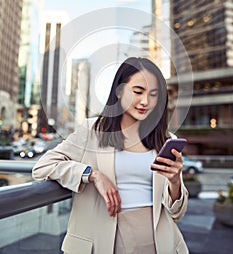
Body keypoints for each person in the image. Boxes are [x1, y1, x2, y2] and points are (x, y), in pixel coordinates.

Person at [32, 57, 189, 254]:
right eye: (138, 92)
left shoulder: (165, 139)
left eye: (153, 95)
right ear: (119, 91)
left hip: (159, 242)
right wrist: (92, 174)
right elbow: (43, 166)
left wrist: (175, 182)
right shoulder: (92, 130)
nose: (145, 102)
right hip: (104, 240)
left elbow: (177, 212)